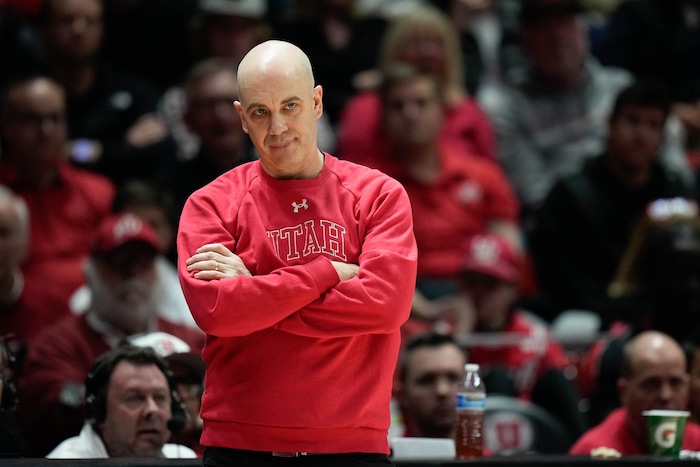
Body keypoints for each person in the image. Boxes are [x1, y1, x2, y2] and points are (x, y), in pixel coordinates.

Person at [177, 39, 417, 465]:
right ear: (241, 118)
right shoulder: (210, 204)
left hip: (352, 445)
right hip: (239, 445)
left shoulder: (379, 196)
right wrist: (327, 273)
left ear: (317, 101)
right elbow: (219, 311)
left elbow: (386, 304)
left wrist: (255, 291)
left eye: (290, 106)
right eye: (260, 112)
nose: (277, 128)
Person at [480, 0, 692, 229]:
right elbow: (537, 194)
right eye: (543, 28)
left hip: (646, 214)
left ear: (585, 31)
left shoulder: (622, 88)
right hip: (571, 228)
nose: (557, 37)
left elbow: (675, 167)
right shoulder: (507, 109)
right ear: (525, 43)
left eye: (565, 24)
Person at [17, 212, 204, 456]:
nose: (133, 278)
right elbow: (48, 405)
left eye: (143, 265)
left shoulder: (190, 340)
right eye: (121, 264)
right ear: (92, 273)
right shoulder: (56, 346)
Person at [530, 80, 696, 325]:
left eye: (653, 125)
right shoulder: (570, 195)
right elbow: (559, 277)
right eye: (632, 121)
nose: (641, 135)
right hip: (590, 315)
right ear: (610, 124)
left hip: (663, 312)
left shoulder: (676, 192)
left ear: (663, 136)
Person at [373, 63, 520, 338]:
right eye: (398, 105)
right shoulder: (368, 183)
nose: (410, 114)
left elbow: (508, 250)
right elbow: (371, 263)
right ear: (382, 118)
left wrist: (479, 301)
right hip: (406, 295)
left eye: (421, 103)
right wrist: (424, 310)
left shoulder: (483, 175)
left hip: (475, 285)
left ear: (442, 111)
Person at [0, 74, 115, 341]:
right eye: (32, 119)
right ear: (7, 126)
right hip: (14, 329)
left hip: (92, 330)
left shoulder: (97, 190)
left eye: (55, 119)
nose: (45, 130)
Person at [455, 232, 586, 442]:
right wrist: (459, 339)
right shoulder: (446, 337)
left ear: (512, 287)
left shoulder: (538, 339)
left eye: (490, 283)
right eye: (472, 282)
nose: (479, 293)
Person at [335, 3, 497, 166]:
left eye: (436, 43)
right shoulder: (366, 109)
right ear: (395, 48)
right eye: (416, 42)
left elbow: (489, 175)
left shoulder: (468, 111)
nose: (426, 52)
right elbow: (351, 174)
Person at [32, 0, 174, 185]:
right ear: (44, 29)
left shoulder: (132, 91)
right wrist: (122, 147)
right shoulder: (28, 95)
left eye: (90, 21)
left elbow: (158, 150)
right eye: (66, 21)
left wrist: (88, 151)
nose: (78, 30)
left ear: (102, 29)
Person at [69, 180, 197, 328]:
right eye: (130, 222)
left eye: (152, 225)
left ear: (170, 233)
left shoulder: (186, 301)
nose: (141, 231)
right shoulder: (81, 306)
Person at [46, 344, 197, 458]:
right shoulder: (66, 462)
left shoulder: (183, 458)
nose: (152, 410)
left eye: (159, 397)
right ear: (99, 411)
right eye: (134, 398)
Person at [569, 331, 700, 456]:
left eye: (675, 383)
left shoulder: (697, 444)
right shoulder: (593, 454)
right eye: (651, 384)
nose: (666, 395)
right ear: (623, 391)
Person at [394, 332, 466, 439]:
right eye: (427, 380)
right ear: (402, 394)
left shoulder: (495, 456)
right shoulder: (389, 456)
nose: (442, 390)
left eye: (453, 378)